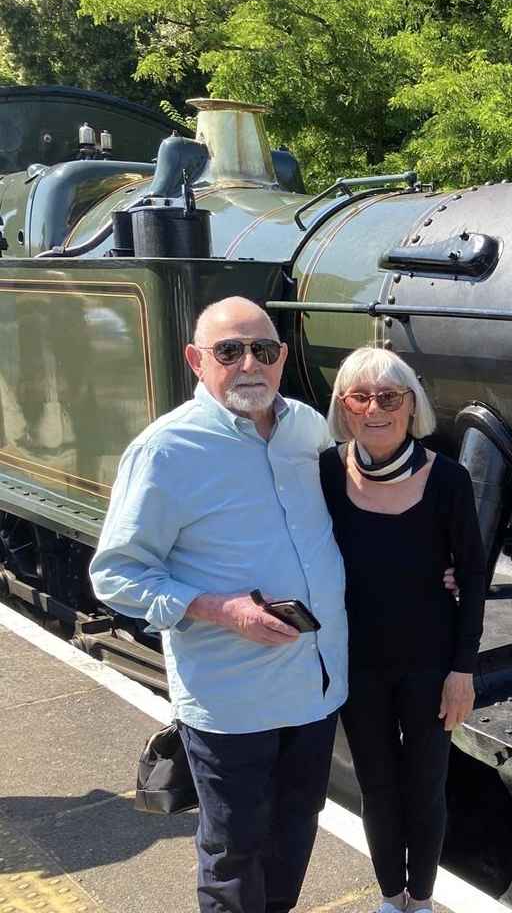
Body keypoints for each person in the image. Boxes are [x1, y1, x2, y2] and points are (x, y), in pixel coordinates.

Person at [91, 296, 348, 913]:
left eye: (264, 350)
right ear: (196, 360)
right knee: (234, 851)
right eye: (229, 351)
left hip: (315, 688)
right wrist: (220, 609)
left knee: (295, 834)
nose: (249, 364)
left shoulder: (307, 428)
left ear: (283, 358)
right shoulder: (165, 451)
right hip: (230, 700)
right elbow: (116, 575)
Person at [319, 347, 485, 913]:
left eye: (389, 397)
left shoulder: (449, 481)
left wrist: (463, 670)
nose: (374, 409)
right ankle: (392, 898)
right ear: (344, 408)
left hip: (430, 665)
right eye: (359, 397)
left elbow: (474, 579)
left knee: (426, 790)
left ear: (411, 406)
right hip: (358, 666)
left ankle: (424, 897)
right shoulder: (323, 473)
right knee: (377, 788)